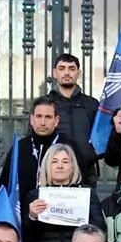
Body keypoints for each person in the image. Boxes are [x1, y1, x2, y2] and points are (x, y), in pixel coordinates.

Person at [24, 143, 107, 242]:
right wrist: (32, 216)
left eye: (65, 161)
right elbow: (27, 237)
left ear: (72, 167)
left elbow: (100, 229)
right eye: (54, 162)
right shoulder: (36, 195)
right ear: (47, 167)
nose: (60, 166)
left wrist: (84, 220)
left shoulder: (87, 195)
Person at [0, 97, 93, 209]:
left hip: (60, 214)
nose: (43, 122)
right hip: (24, 217)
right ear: (32, 120)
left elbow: (82, 182)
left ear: (56, 120)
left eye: (48, 117)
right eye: (39, 117)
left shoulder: (68, 146)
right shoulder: (20, 147)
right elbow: (4, 186)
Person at [48, 54, 100, 183]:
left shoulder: (91, 104)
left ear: (79, 73)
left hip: (86, 173)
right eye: (62, 68)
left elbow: (101, 137)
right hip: (52, 174)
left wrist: (91, 155)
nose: (66, 73)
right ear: (54, 73)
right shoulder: (45, 104)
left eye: (71, 69)